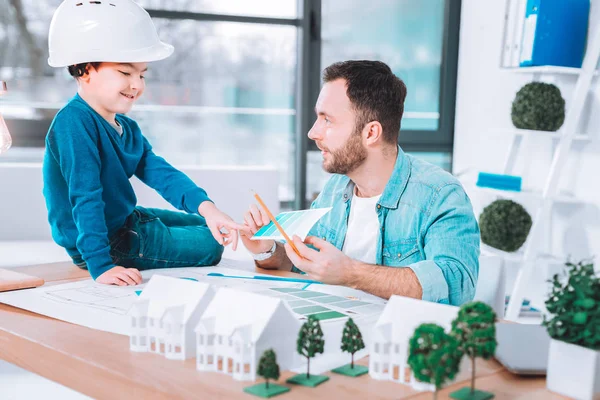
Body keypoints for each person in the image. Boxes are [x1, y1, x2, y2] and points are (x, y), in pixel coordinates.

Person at [240, 60, 480, 306]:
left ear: (371, 133)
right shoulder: (335, 189)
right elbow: (305, 264)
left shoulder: (440, 194)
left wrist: (351, 274)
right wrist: (266, 249)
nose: (313, 132)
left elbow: (457, 285)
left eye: (328, 120)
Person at [43, 0, 242, 286]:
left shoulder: (126, 127)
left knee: (209, 226)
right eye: (125, 73)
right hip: (104, 244)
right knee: (212, 245)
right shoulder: (74, 123)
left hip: (123, 222)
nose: (137, 84)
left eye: (141, 74)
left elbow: (161, 174)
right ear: (84, 69)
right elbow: (85, 196)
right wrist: (101, 266)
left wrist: (208, 208)